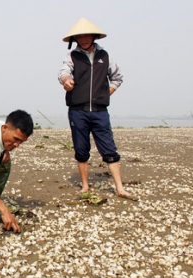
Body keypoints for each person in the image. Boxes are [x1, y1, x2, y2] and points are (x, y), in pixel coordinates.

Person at [57, 18, 137, 201]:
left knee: (109, 148)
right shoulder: (72, 57)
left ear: (94, 36)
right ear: (75, 39)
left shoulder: (105, 56)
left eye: (87, 35)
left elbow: (118, 77)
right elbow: (63, 73)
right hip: (78, 111)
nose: (83, 39)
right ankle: (85, 186)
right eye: (79, 36)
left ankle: (120, 188)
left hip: (100, 112)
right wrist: (66, 81)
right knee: (81, 148)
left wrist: (106, 93)